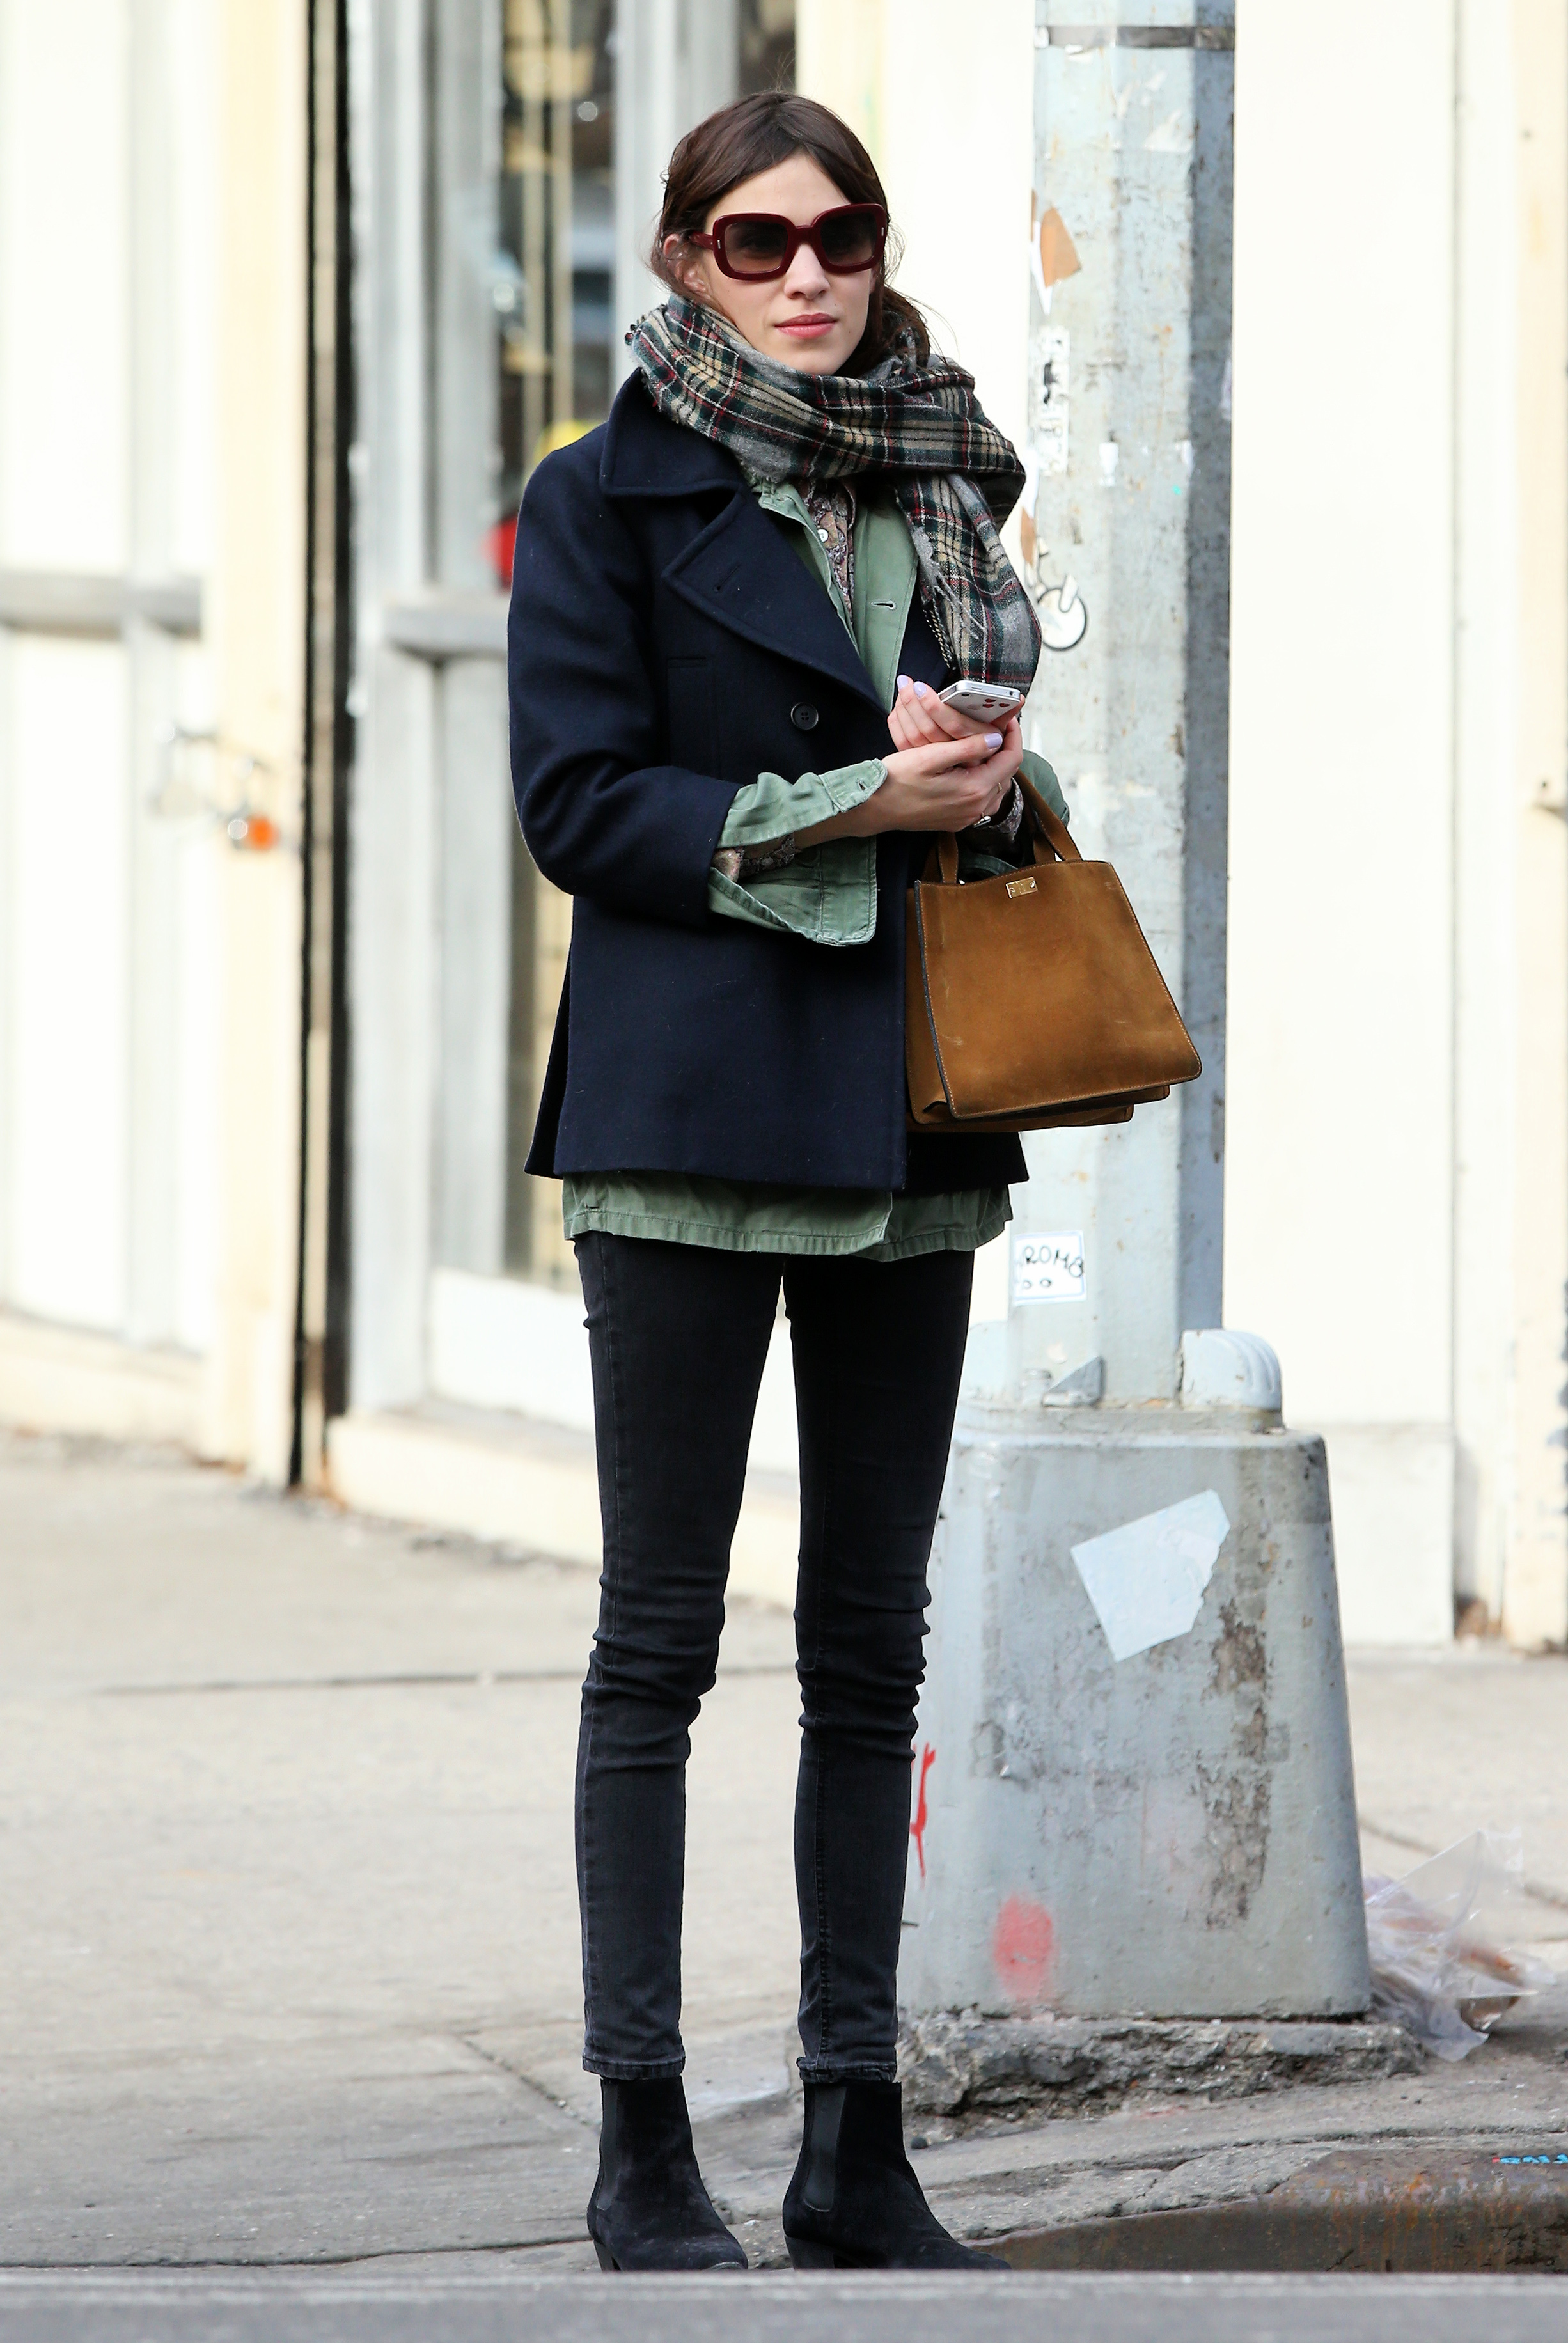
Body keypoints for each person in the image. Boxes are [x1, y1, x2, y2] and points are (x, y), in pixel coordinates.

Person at [508, 90, 1065, 2273]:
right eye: (757, 241)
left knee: (868, 1650)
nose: (808, 275)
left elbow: (971, 783)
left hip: (901, 1115)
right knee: (657, 1645)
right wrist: (843, 805)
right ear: (684, 258)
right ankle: (642, 2143)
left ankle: (854, 2146)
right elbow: (581, 806)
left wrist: (983, 779)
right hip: (681, 1119)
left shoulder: (945, 481)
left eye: (840, 236)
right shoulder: (601, 493)